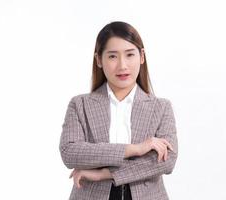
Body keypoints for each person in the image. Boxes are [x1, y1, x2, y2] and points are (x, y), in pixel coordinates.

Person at [59, 21, 178, 200]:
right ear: (99, 59)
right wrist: (134, 149)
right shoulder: (80, 104)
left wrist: (104, 173)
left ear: (142, 56)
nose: (122, 65)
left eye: (130, 54)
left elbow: (166, 161)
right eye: (113, 56)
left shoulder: (160, 107)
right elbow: (70, 153)